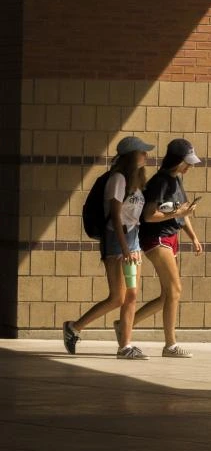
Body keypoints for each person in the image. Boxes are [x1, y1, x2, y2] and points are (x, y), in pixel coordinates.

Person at [62, 136, 154, 359]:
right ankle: (74, 328)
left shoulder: (136, 182)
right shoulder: (118, 179)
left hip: (132, 240)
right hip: (117, 240)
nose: (146, 155)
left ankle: (124, 346)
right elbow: (114, 214)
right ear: (132, 155)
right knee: (118, 296)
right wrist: (124, 248)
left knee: (130, 295)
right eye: (142, 152)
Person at [133, 138, 204, 358]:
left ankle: (125, 325)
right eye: (187, 162)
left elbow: (184, 212)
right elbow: (148, 215)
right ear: (176, 161)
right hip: (156, 238)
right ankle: (170, 345)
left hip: (170, 237)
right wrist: (177, 214)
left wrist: (193, 237)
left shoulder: (177, 180)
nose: (190, 167)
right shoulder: (160, 182)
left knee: (167, 295)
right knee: (176, 290)